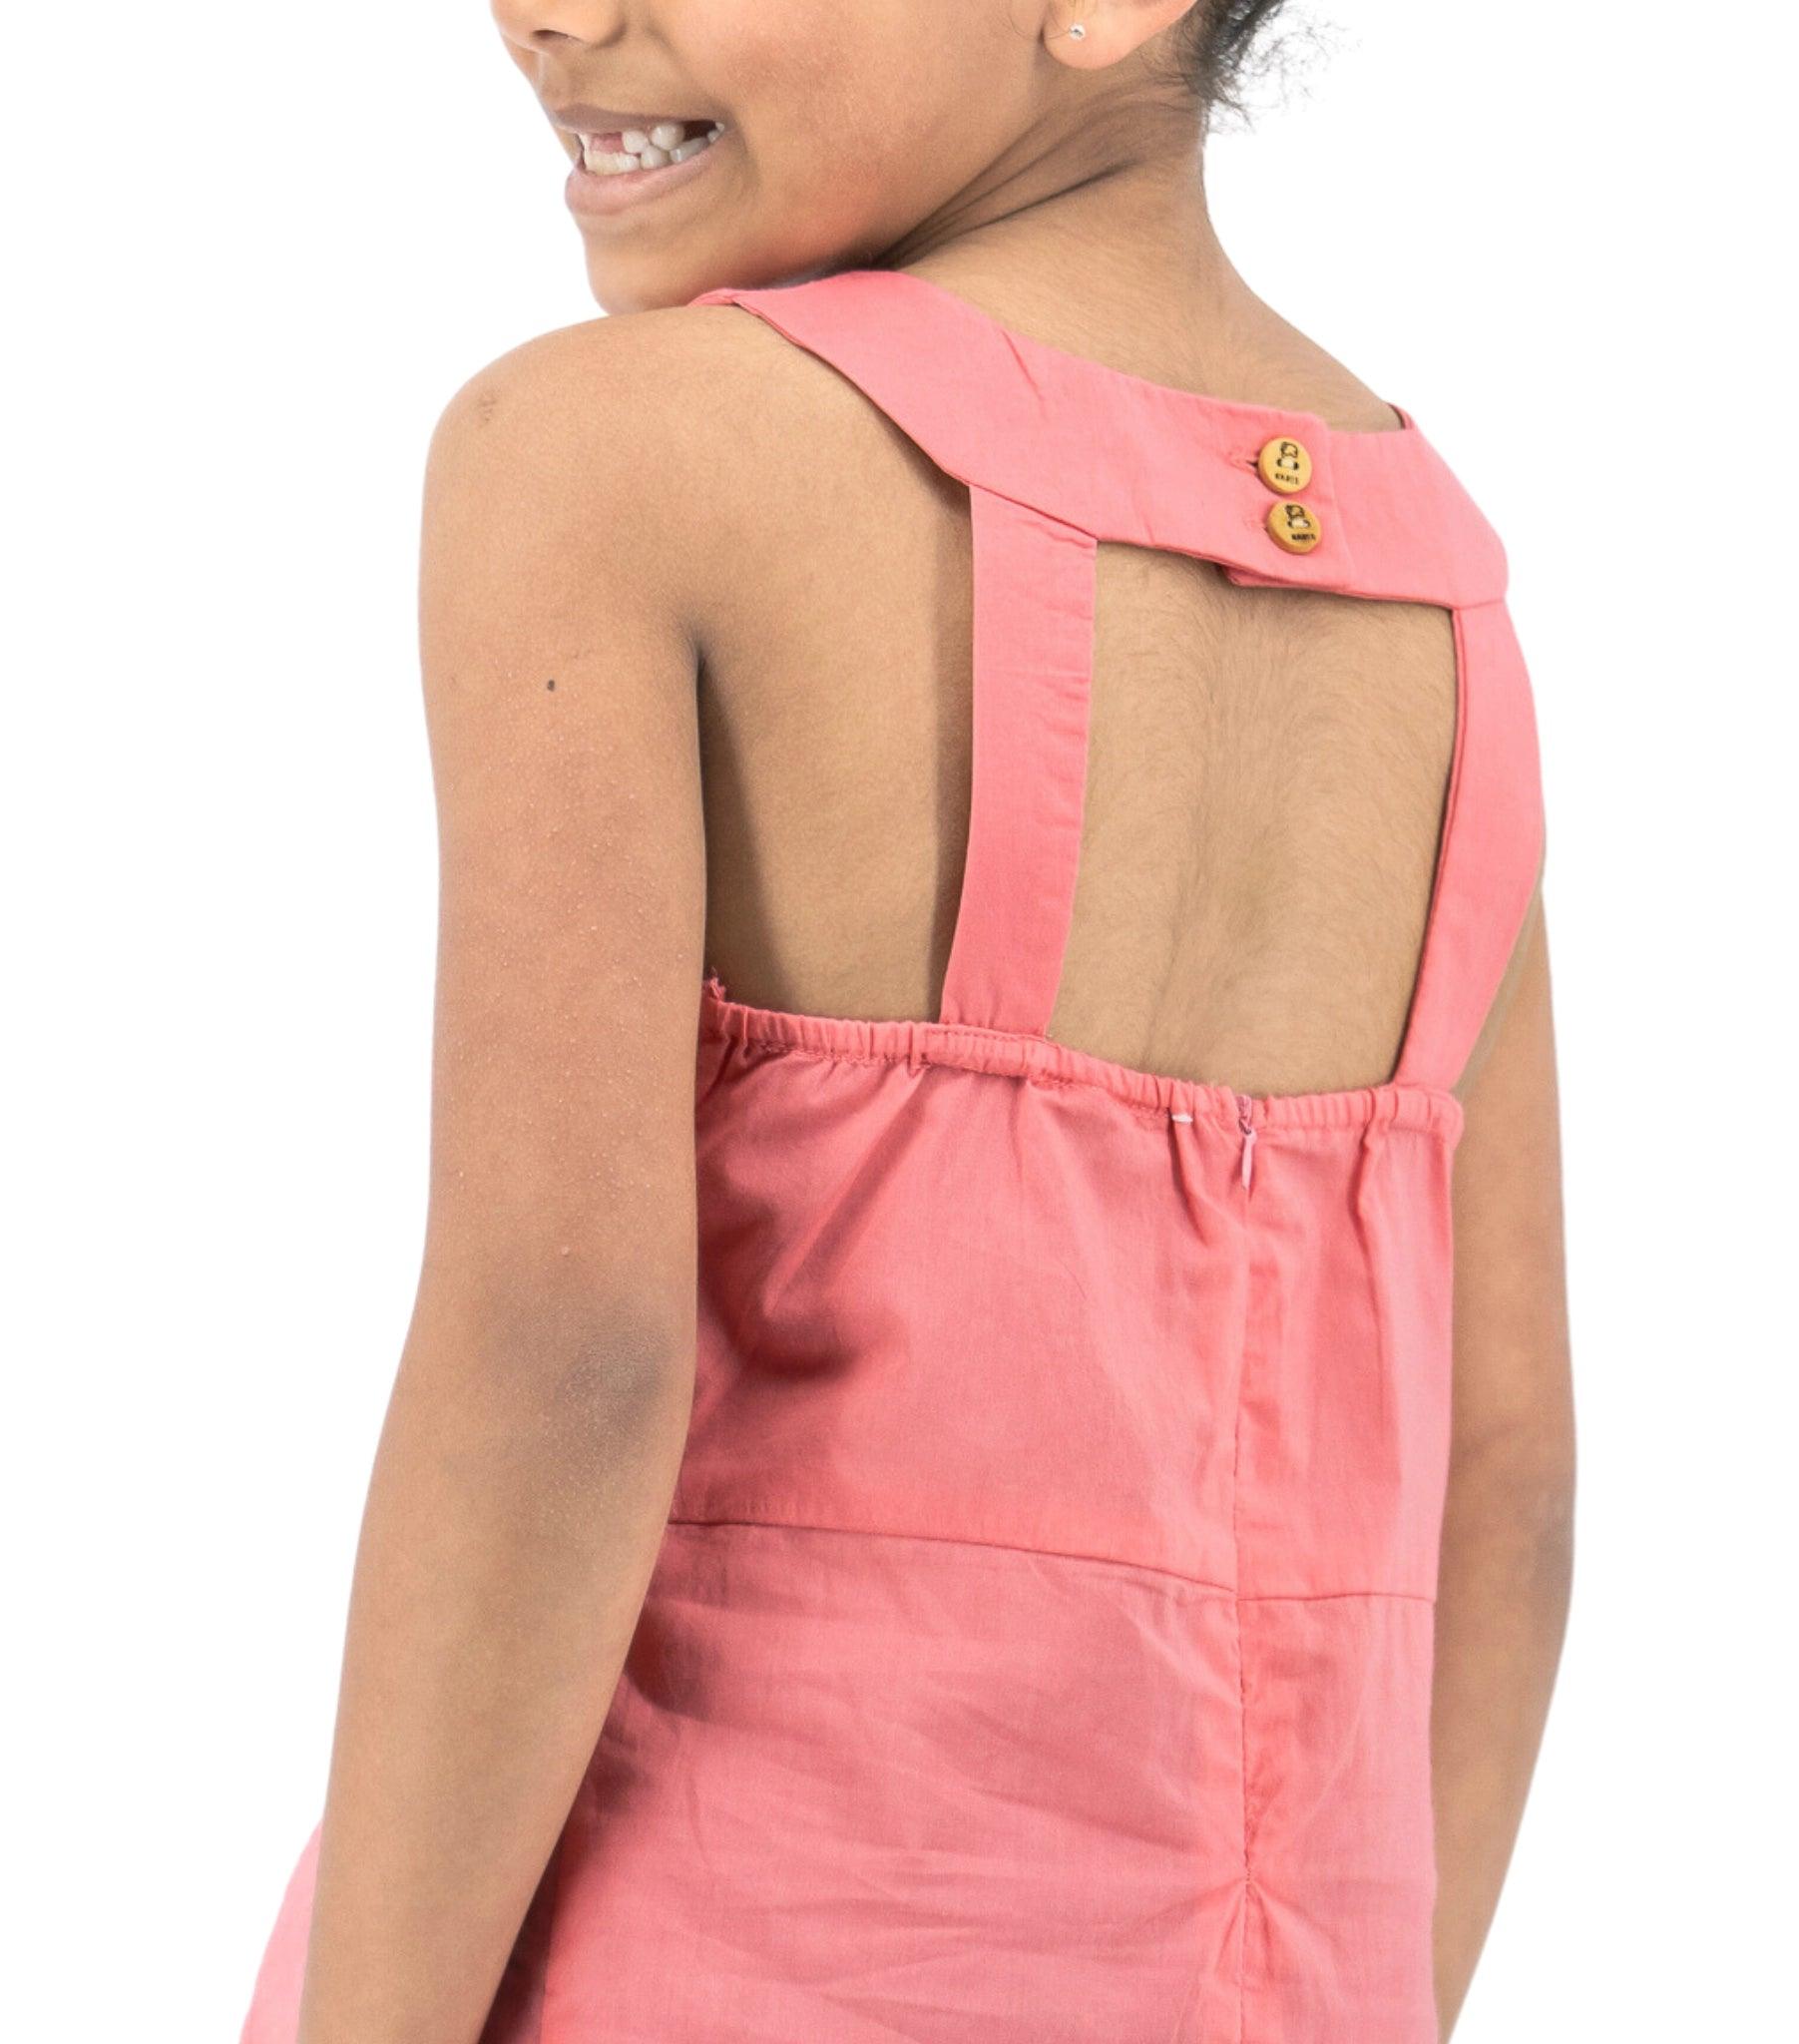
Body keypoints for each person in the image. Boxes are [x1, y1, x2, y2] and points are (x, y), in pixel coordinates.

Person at [239, 2, 1575, 2039]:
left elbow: (560, 1364)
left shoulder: (614, 451)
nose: (550, 13)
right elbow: (1510, 1489)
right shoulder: (1433, 590)